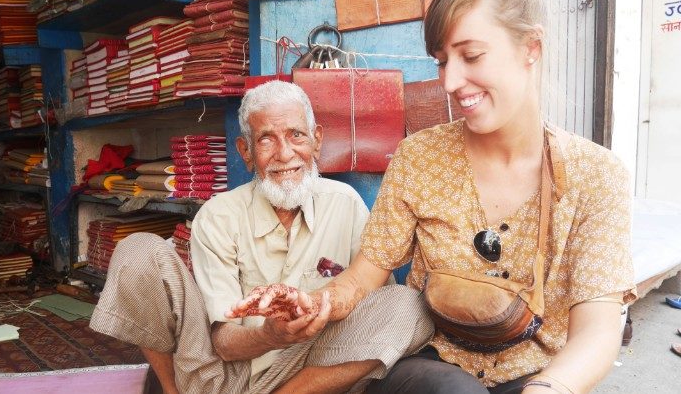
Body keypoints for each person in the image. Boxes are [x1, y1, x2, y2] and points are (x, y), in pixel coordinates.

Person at [229, 0, 636, 393]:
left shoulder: (595, 175)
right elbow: (366, 276)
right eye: (442, 61)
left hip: (536, 374)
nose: (450, 82)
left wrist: (548, 388)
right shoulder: (418, 157)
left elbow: (598, 328)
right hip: (430, 369)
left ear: (531, 48)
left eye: (472, 56)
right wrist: (317, 302)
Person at [89, 80, 433, 394]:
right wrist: (271, 334)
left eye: (297, 135)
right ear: (246, 152)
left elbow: (372, 305)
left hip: (308, 370)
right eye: (266, 139)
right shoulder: (218, 215)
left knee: (408, 303)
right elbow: (223, 342)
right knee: (138, 251)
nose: (284, 154)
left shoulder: (346, 205)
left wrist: (316, 311)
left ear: (317, 140)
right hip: (221, 375)